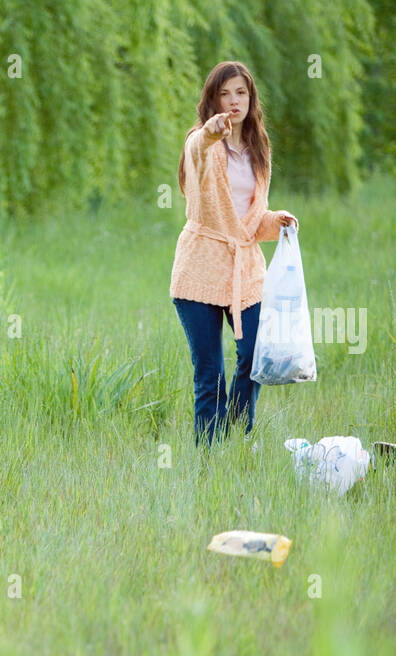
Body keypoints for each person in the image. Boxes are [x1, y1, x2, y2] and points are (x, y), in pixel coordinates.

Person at [169, 61, 298, 447]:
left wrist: (278, 221)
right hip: (199, 271)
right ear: (212, 100)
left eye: (240, 92)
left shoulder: (259, 148)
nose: (233, 101)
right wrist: (209, 134)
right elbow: (195, 149)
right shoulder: (202, 143)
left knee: (255, 356)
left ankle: (236, 439)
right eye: (224, 93)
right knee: (210, 373)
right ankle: (208, 457)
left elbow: (253, 221)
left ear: (251, 97)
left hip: (245, 270)